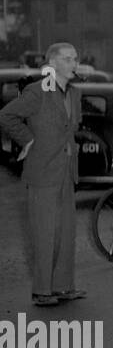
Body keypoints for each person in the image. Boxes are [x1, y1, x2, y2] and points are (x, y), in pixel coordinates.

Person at [0, 42, 84, 306]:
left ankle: (63, 287)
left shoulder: (75, 93)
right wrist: (27, 140)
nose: (74, 64)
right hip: (43, 172)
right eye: (68, 59)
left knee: (66, 232)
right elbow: (7, 115)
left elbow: (68, 128)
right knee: (45, 233)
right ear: (53, 63)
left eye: (75, 59)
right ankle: (42, 290)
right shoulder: (38, 91)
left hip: (66, 172)